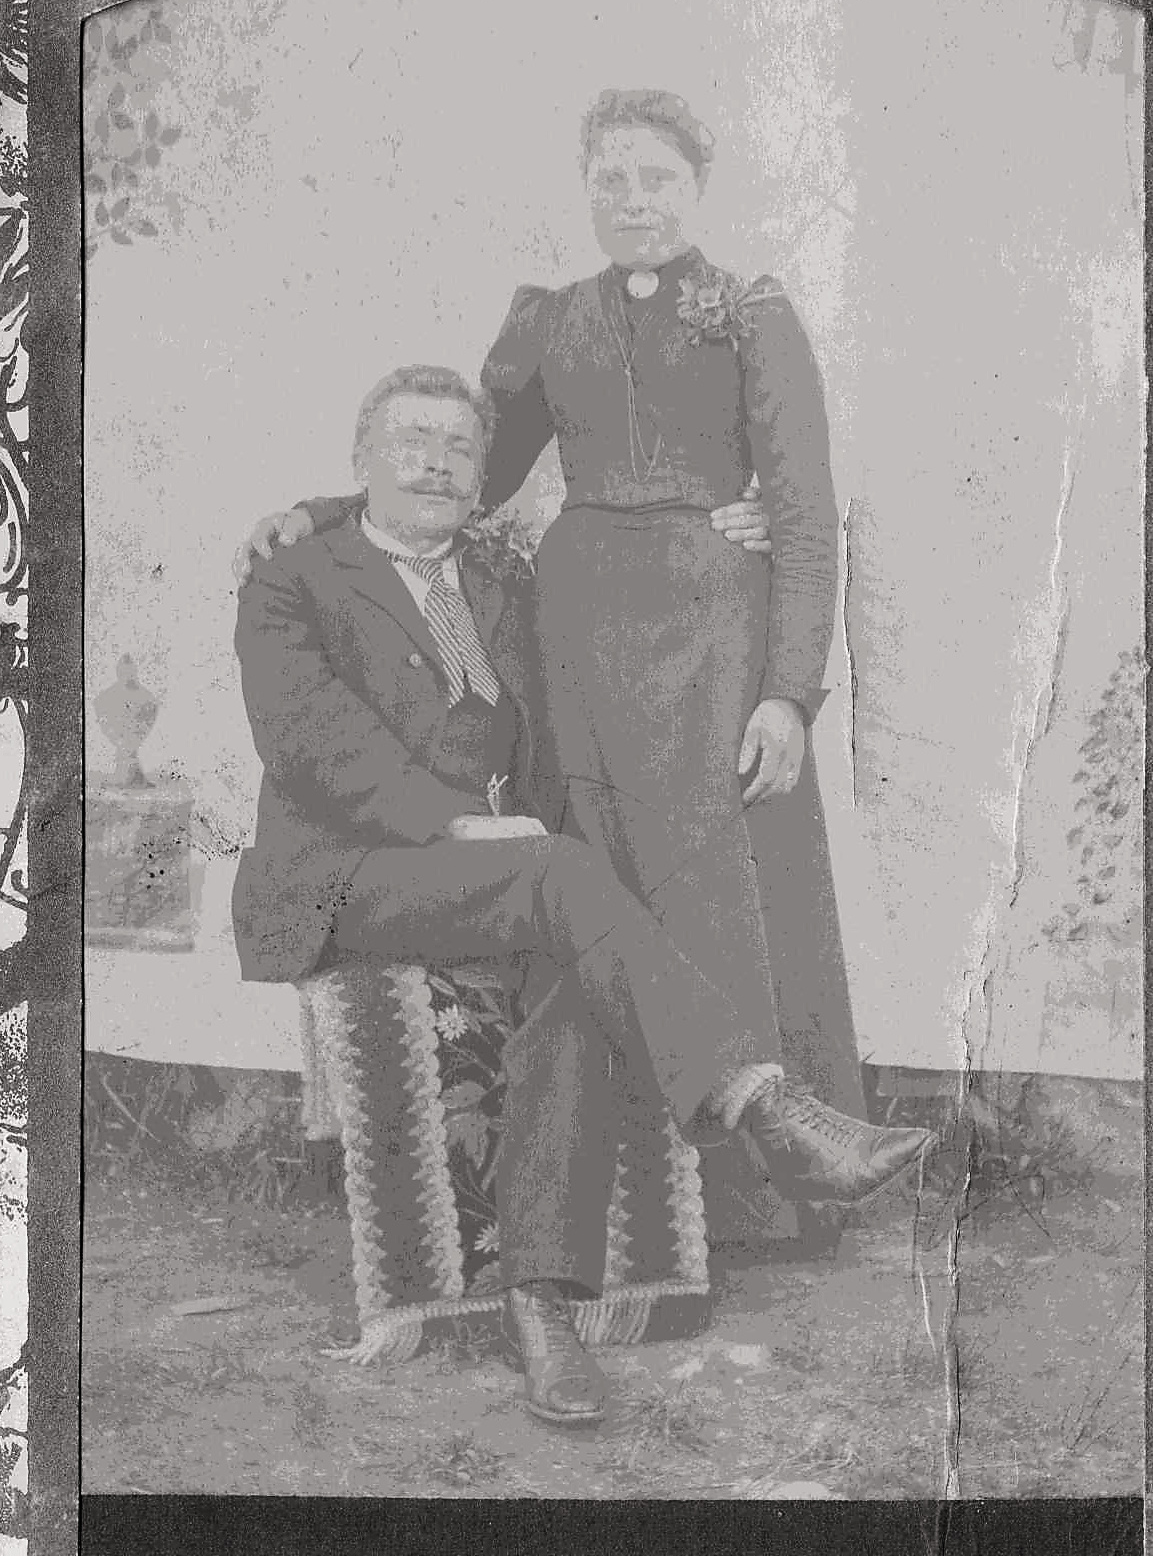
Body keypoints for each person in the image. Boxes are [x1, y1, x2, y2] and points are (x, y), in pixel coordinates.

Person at [235, 87, 913, 1230]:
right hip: (579, 640)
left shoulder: (754, 311)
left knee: (718, 887)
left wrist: (790, 694)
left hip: (716, 641)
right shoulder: (549, 320)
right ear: (586, 188)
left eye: (657, 178)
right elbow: (460, 472)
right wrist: (320, 512)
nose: (633, 200)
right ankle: (640, 1212)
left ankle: (755, 1203)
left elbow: (803, 518)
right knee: (601, 877)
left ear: (697, 188)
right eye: (611, 179)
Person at [232, 364, 934, 1426]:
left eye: (459, 448)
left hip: (493, 879)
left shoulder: (503, 580)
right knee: (558, 873)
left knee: (571, 971)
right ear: (359, 459)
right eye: (409, 442)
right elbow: (314, 744)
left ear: (484, 479)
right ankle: (761, 1104)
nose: (434, 464)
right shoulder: (294, 575)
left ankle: (542, 1308)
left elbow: (618, 627)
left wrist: (737, 527)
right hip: (346, 875)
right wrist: (460, 825)